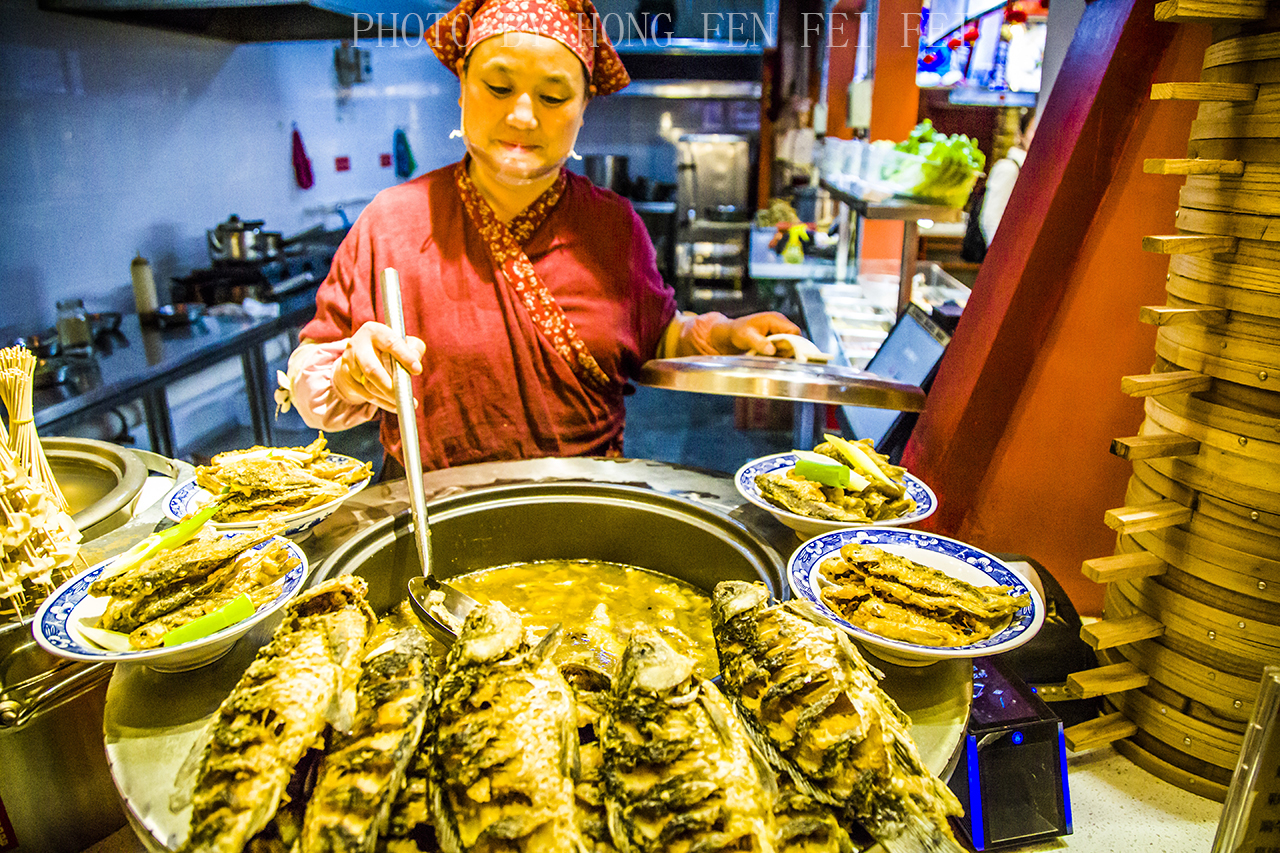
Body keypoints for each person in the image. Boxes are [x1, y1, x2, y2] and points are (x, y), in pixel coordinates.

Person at [279, 0, 800, 476]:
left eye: (553, 96)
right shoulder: (392, 223)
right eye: (499, 87)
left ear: (582, 107)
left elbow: (657, 337)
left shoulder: (614, 227)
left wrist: (724, 337)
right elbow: (313, 375)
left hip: (586, 506)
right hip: (434, 511)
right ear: (462, 83)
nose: (523, 116)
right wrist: (351, 374)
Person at [977, 108, 1037, 250]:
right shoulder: (1009, 168)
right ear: (1021, 135)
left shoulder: (1038, 171)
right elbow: (991, 221)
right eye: (1035, 129)